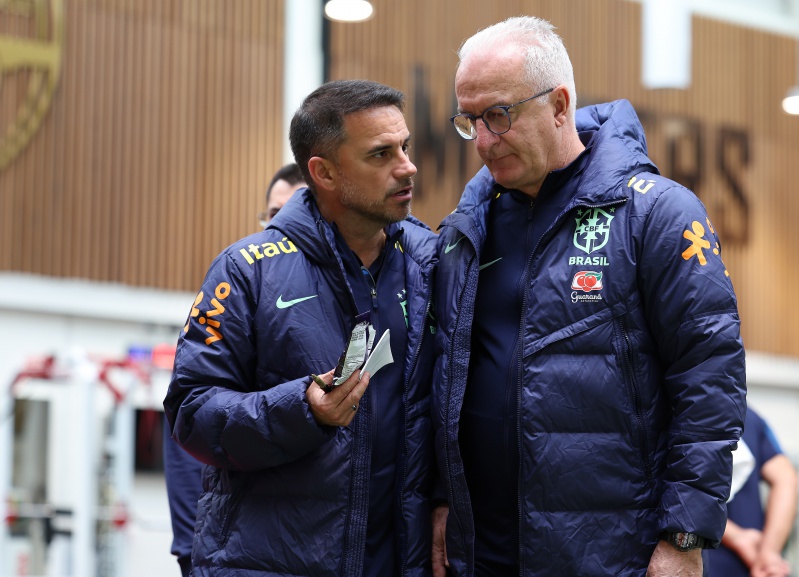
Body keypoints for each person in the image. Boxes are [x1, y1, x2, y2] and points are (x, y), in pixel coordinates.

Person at [430, 16, 746, 577]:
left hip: (612, 552)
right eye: (468, 120)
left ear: (559, 104)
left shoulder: (655, 213)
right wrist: (438, 501)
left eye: (498, 115)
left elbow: (709, 378)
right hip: (482, 552)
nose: (482, 141)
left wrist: (684, 535)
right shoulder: (463, 232)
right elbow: (441, 381)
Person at [164, 79, 438, 577]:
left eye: (405, 146)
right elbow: (191, 411)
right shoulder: (248, 269)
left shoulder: (432, 266)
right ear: (324, 172)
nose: (407, 167)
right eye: (380, 154)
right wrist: (302, 410)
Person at [162, 162, 306, 577]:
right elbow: (188, 433)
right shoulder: (236, 289)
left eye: (292, 212)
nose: (281, 227)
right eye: (273, 215)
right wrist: (190, 552)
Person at [704, 408, 799, 577]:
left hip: (701, 558)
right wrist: (770, 552)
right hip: (753, 565)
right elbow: (786, 478)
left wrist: (738, 537)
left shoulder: (672, 407)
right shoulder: (747, 415)